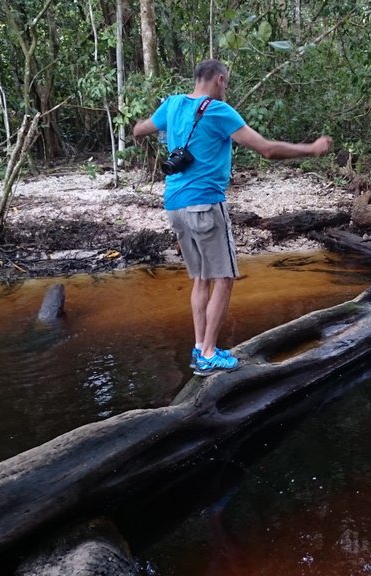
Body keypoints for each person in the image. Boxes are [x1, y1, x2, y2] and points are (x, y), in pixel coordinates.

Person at [132, 59, 332, 376]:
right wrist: (312, 149)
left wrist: (158, 132)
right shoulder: (219, 111)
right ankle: (209, 353)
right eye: (227, 83)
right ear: (220, 80)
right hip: (206, 205)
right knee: (224, 279)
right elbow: (266, 149)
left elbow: (139, 129)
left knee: (201, 278)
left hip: (175, 205)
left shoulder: (171, 105)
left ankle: (201, 348)